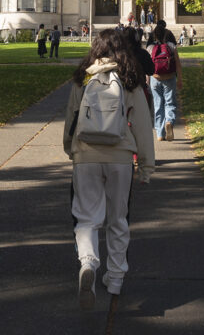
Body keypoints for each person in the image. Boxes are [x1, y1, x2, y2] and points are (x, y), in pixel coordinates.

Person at [64, 29, 154, 307]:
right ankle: (115, 279)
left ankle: (88, 261)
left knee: (87, 216)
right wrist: (147, 166)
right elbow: (142, 126)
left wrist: (71, 149)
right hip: (120, 158)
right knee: (118, 219)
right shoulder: (130, 80)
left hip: (86, 155)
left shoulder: (83, 78)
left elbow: (71, 118)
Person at [147, 22, 181, 142]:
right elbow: (177, 63)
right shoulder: (171, 46)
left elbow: (148, 67)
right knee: (170, 103)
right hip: (169, 77)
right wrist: (180, 79)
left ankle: (160, 133)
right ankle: (169, 122)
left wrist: (148, 80)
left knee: (158, 105)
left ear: (154, 35)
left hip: (155, 78)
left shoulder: (150, 48)